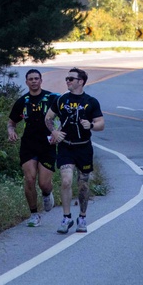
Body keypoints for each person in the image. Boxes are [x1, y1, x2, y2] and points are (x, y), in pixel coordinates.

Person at [47, 67, 104, 234]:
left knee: (83, 184)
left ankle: (82, 217)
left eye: (71, 79)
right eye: (67, 78)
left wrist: (91, 125)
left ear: (81, 81)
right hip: (66, 146)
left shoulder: (91, 101)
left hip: (84, 147)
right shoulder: (61, 100)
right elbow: (48, 118)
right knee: (65, 181)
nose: (67, 81)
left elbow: (101, 123)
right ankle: (66, 217)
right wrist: (54, 132)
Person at [5, 69, 58, 227]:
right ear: (26, 82)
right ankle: (34, 214)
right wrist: (11, 131)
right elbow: (11, 122)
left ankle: (47, 193)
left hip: (47, 144)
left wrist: (58, 133)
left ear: (41, 80)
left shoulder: (52, 98)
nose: (34, 81)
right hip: (28, 144)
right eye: (31, 79)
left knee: (43, 183)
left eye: (36, 78)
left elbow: (65, 117)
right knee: (29, 179)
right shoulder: (23, 101)